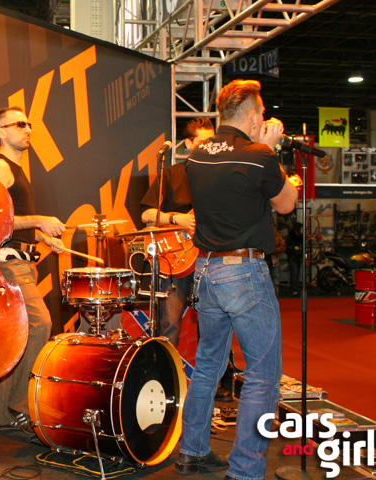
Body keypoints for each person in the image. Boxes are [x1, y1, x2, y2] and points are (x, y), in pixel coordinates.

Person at [177, 79, 298, 479]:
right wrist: (272, 149)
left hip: (206, 271)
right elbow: (287, 203)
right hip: (244, 271)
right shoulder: (260, 155)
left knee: (208, 365)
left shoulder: (197, 154)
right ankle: (245, 470)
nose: (264, 119)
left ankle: (192, 450)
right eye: (261, 113)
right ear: (252, 117)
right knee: (263, 375)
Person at [0, 107, 66, 436]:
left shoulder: (14, 169)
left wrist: (42, 237)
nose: (28, 129)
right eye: (20, 124)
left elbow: (11, 220)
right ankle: (19, 404)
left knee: (14, 336)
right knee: (39, 323)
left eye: (29, 123)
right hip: (7, 264)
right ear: (0, 132)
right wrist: (39, 221)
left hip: (21, 261)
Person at [140, 117, 214, 347]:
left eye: (212, 142)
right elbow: (146, 215)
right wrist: (176, 218)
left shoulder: (220, 176)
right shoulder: (172, 174)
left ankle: (214, 370)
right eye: (202, 142)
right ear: (189, 144)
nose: (208, 147)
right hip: (177, 260)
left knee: (214, 323)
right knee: (170, 323)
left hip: (210, 257)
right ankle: (166, 367)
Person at [286, 222, 303, 295]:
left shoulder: (301, 237)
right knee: (294, 274)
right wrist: (293, 248)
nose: (302, 230)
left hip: (299, 257)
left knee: (297, 274)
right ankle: (293, 289)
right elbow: (286, 247)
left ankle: (296, 288)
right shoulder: (290, 237)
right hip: (292, 257)